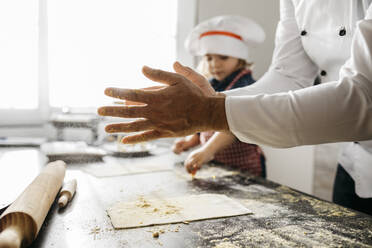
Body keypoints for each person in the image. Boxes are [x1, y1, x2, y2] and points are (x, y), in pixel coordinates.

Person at [98, 0, 372, 215]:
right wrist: (212, 104)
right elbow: (289, 77)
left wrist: (209, 112)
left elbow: (365, 96)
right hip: (351, 161)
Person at [172, 15, 266, 177]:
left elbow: (232, 125)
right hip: (218, 163)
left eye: (223, 57)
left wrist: (207, 150)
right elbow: (204, 120)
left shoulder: (246, 84)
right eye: (209, 58)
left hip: (244, 167)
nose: (215, 64)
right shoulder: (211, 84)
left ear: (240, 58)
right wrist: (191, 141)